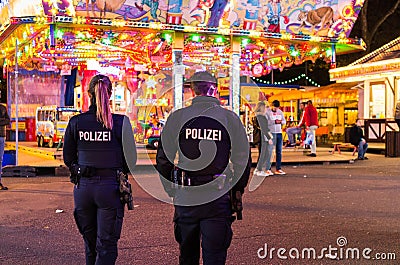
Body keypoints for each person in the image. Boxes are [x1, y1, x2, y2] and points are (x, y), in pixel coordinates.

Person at [156, 71, 251, 265]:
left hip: (186, 195)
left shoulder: (177, 117)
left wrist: (172, 188)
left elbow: (163, 159)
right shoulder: (229, 118)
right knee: (215, 257)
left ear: (192, 90)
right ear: (214, 90)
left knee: (187, 255)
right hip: (217, 196)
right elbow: (243, 157)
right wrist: (236, 189)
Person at [63, 74, 137, 265]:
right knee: (106, 245)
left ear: (89, 95)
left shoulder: (76, 122)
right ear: (110, 94)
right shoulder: (120, 122)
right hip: (110, 188)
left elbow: (68, 158)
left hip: (83, 189)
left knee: (90, 244)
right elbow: (131, 160)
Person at [253, 101, 274, 177]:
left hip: (258, 137)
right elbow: (264, 128)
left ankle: (258, 169)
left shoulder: (256, 116)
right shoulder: (261, 117)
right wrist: (269, 138)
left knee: (263, 153)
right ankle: (259, 169)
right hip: (262, 137)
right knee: (264, 154)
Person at [265, 100, 286, 175]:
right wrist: (274, 122)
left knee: (279, 151)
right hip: (271, 132)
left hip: (279, 132)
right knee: (270, 151)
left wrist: (280, 122)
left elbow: (284, 121)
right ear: (271, 106)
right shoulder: (267, 112)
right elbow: (266, 122)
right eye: (274, 107)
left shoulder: (280, 112)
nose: (275, 109)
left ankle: (278, 168)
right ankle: (267, 168)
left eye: (277, 108)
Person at [0, 103, 10, 191]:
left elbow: (7, 120)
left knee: (0, 159)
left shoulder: (3, 108)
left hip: (1, 137)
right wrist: (2, 121)